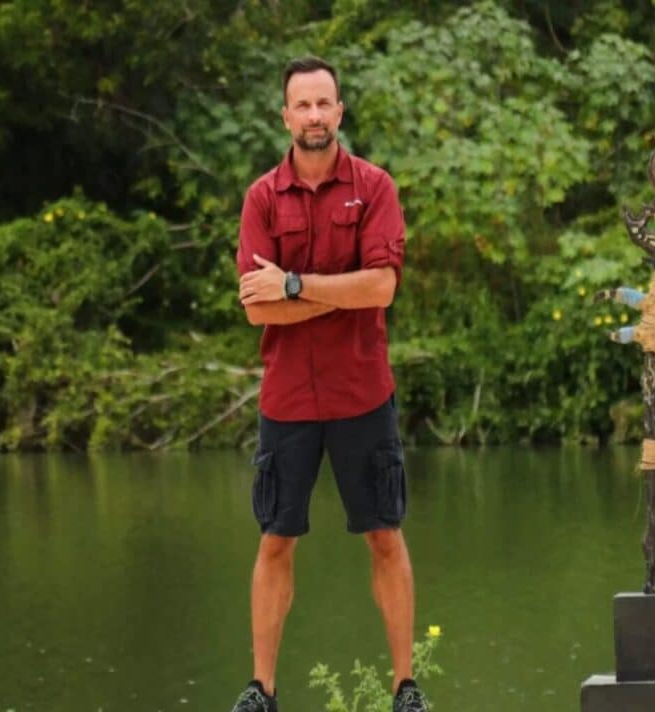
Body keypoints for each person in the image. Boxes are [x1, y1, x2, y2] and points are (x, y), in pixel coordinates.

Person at [229, 56, 429, 712]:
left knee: (385, 535)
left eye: (324, 104)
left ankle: (405, 688)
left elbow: (383, 288)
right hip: (288, 398)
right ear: (285, 116)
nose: (314, 115)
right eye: (303, 105)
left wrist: (293, 284)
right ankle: (262, 690)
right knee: (275, 540)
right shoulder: (262, 199)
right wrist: (341, 294)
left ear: (339, 112)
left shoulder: (375, 189)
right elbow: (255, 310)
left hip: (361, 393)